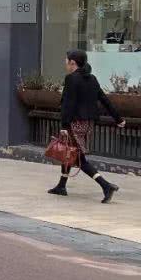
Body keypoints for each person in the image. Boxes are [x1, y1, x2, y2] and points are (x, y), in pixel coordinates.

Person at [48, 49, 126, 203]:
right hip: (87, 124)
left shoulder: (71, 79)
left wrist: (64, 125)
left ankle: (105, 186)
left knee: (77, 158)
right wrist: (118, 119)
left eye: (66, 60)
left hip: (74, 123)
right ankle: (61, 186)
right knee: (70, 151)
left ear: (73, 62)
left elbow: (68, 104)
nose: (65, 63)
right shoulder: (92, 78)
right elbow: (104, 100)